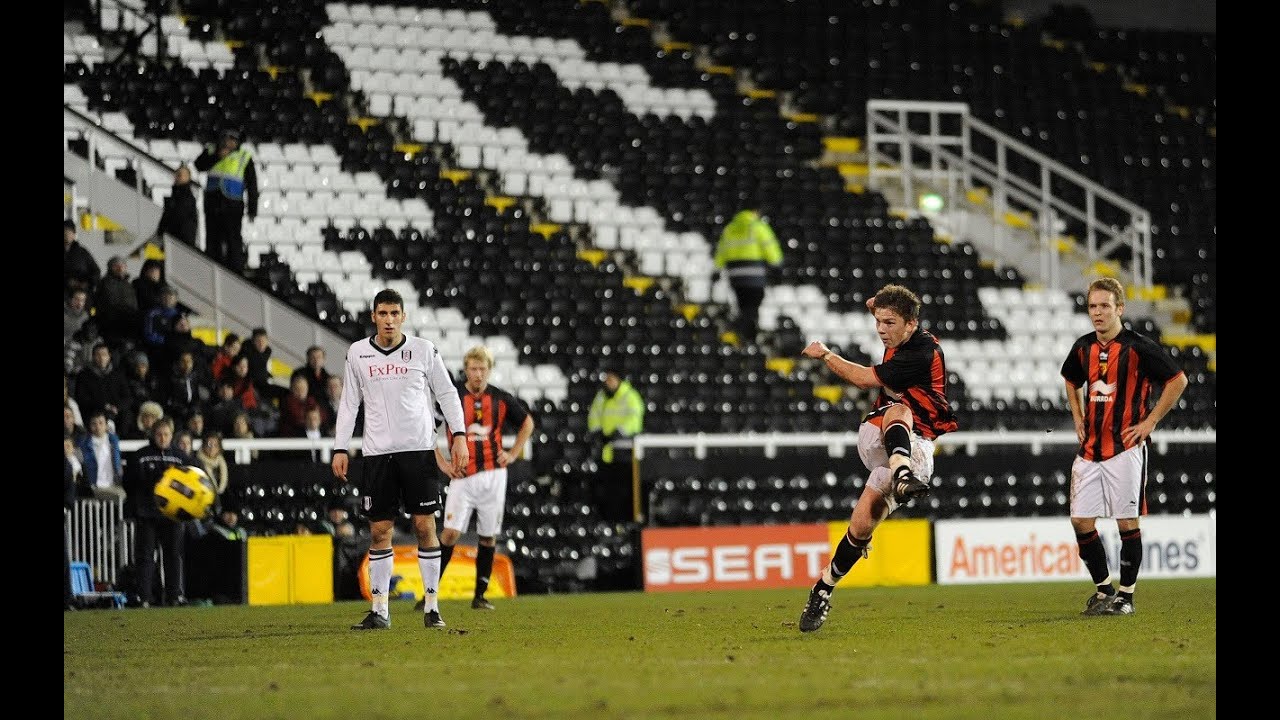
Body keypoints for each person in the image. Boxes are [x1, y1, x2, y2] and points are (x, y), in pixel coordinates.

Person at [795, 283, 958, 633]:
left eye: (889, 323)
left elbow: (861, 377)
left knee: (861, 527)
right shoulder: (901, 331)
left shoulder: (920, 352)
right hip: (879, 433)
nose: (882, 330)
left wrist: (825, 354)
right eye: (878, 322)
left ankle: (822, 588)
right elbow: (885, 309)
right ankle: (901, 476)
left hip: (918, 450)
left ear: (911, 324)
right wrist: (876, 305)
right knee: (898, 408)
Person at [331, 288, 469, 630]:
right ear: (374, 316)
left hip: (419, 452)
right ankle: (380, 610)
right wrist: (339, 447)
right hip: (377, 455)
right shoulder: (358, 353)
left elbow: (448, 393)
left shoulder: (423, 350)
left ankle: (432, 606)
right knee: (379, 530)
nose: (389, 320)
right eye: (383, 313)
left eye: (395, 313)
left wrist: (460, 436)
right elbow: (349, 403)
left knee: (425, 527)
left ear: (403, 316)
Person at [1063, 277, 1189, 617]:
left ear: (1120, 308)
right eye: (1093, 306)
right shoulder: (1082, 347)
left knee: (1126, 522)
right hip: (1090, 450)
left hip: (1126, 448)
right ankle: (1104, 589)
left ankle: (1126, 596)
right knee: (1081, 522)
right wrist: (1077, 416)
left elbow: (1178, 381)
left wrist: (1149, 423)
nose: (1098, 312)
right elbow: (1070, 379)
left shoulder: (1139, 347)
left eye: (1105, 306)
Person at [419, 345, 533, 611]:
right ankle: (430, 594)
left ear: (489, 370)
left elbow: (527, 422)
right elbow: (426, 429)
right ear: (466, 370)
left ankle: (480, 595)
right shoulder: (452, 398)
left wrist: (513, 453)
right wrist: (443, 463)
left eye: (483, 369)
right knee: (449, 534)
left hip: (494, 474)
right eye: (473, 369)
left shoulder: (501, 399)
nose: (478, 374)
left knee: (488, 535)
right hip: (462, 475)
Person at [123, 416, 195, 607]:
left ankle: (174, 596)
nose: (162, 438)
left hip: (172, 514)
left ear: (172, 436)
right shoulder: (141, 456)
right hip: (147, 513)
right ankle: (144, 597)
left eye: (166, 434)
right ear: (152, 435)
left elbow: (192, 483)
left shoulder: (180, 457)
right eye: (159, 434)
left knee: (173, 556)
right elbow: (129, 483)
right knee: (146, 557)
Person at [193, 128, 258, 272]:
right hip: (212, 201)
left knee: (233, 240)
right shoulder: (211, 150)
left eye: (233, 139)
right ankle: (211, 267)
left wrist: (252, 208)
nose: (229, 142)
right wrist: (217, 156)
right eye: (226, 138)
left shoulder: (245, 156)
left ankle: (235, 271)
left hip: (233, 204)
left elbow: (252, 185)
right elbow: (199, 165)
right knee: (212, 239)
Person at [586, 366, 645, 525]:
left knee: (624, 490)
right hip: (605, 452)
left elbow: (635, 419)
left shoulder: (630, 396)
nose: (608, 382)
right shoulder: (601, 396)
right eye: (607, 379)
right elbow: (594, 416)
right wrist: (598, 432)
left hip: (625, 452)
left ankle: (624, 522)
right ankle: (609, 521)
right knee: (608, 491)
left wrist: (617, 432)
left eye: (611, 379)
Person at [713, 208, 782, 344]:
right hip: (754, 275)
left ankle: (743, 335)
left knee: (743, 306)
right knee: (752, 307)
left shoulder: (729, 228)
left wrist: (717, 269)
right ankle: (746, 336)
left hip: (735, 276)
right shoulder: (758, 226)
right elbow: (769, 246)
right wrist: (776, 264)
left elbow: (721, 250)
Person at [94, 256, 140, 353]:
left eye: (122, 265)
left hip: (128, 326)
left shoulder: (129, 285)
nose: (120, 268)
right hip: (110, 327)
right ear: (110, 267)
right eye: (116, 265)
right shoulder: (104, 283)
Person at [77, 410, 125, 501]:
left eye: (100, 423)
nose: (98, 426)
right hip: (93, 486)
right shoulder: (83, 443)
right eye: (94, 424)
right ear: (90, 426)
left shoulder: (113, 440)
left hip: (113, 484)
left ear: (106, 425)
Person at [155, 164, 199, 248]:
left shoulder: (187, 198)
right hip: (174, 240)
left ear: (188, 178)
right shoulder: (176, 195)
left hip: (181, 242)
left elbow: (178, 218)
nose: (177, 177)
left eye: (180, 175)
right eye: (177, 174)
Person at [64, 218, 101, 294]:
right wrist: (67, 281)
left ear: (74, 235)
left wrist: (87, 283)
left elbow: (96, 271)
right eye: (65, 231)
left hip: (82, 294)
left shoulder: (82, 252)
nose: (67, 234)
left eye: (69, 232)